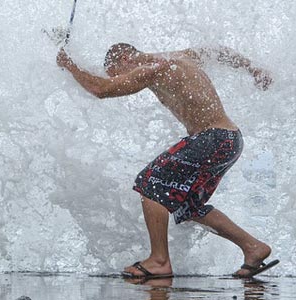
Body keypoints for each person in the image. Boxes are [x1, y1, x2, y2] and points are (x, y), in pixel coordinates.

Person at [56, 43, 278, 278]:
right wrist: (253, 69)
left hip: (213, 138)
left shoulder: (152, 67)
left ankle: (159, 260)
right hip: (230, 140)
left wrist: (69, 64)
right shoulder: (182, 57)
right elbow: (217, 51)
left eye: (119, 73)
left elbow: (100, 89)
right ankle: (253, 247)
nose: (126, 78)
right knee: (187, 206)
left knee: (150, 181)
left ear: (124, 60)